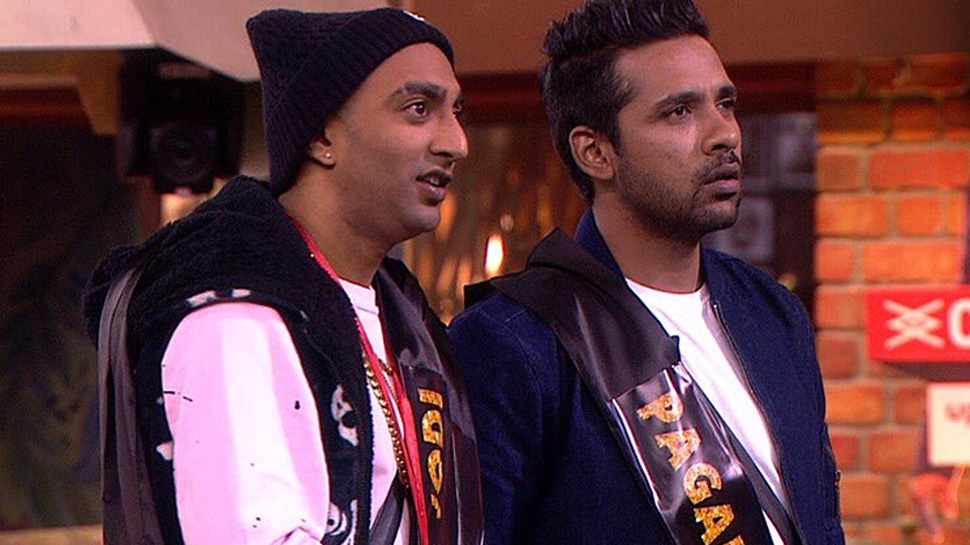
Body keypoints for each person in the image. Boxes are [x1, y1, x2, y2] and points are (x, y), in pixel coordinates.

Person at [448, 1, 845, 544]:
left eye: (725, 103)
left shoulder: (772, 312)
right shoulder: (516, 342)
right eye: (679, 112)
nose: (723, 134)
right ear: (595, 152)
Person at [84, 8, 482, 545]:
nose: (456, 142)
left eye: (457, 112)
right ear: (321, 136)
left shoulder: (403, 315)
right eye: (418, 109)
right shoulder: (232, 314)